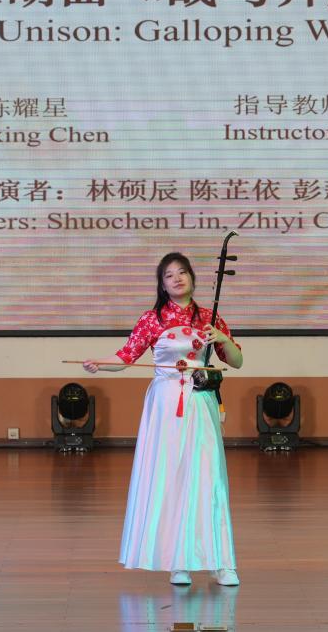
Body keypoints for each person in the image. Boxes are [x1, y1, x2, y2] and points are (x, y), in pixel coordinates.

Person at [85, 252, 244, 588]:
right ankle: (177, 562)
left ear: (192, 278)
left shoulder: (210, 317)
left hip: (200, 402)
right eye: (169, 275)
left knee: (208, 477)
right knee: (170, 477)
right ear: (162, 284)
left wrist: (223, 339)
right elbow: (126, 357)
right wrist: (100, 364)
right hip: (165, 404)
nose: (177, 278)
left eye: (182, 272)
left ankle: (221, 562)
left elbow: (237, 361)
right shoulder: (152, 319)